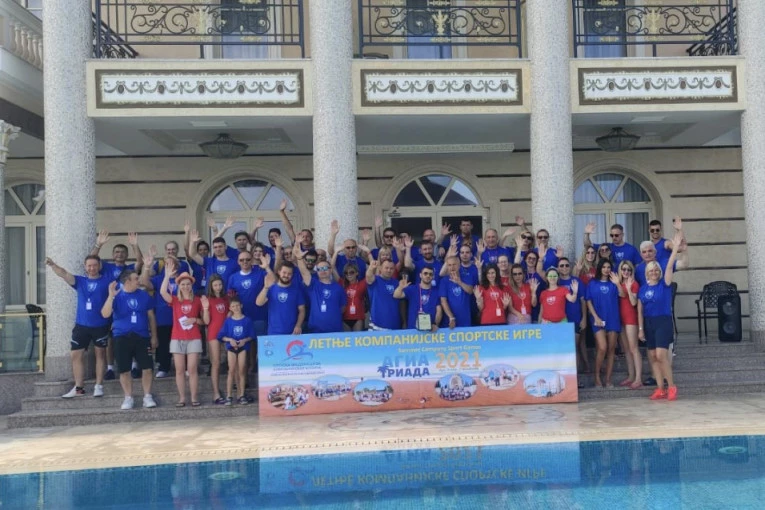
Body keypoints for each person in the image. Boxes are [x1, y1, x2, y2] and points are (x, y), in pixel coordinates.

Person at [46, 255, 112, 398]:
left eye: (95, 265)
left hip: (101, 325)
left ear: (99, 266)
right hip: (81, 325)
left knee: (100, 354)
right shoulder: (80, 281)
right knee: (75, 355)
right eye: (89, 266)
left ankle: (99, 386)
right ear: (85, 267)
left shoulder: (107, 281)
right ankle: (79, 388)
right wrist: (53, 265)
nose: (92, 268)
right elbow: (64, 274)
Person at [100, 270, 158, 410]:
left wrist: (154, 336)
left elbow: (151, 316)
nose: (139, 281)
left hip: (142, 336)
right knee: (124, 370)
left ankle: (147, 396)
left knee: (147, 368)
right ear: (127, 281)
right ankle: (128, 397)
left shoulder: (144, 295)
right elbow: (105, 314)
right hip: (121, 337)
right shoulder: (117, 296)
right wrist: (111, 296)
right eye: (136, 278)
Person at [639, 230, 683, 401]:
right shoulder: (643, 289)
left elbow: (670, 265)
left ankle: (671, 386)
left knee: (661, 355)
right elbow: (640, 310)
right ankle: (660, 389)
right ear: (646, 273)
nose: (653, 272)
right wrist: (641, 329)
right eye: (651, 270)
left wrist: (675, 249)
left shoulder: (664, 284)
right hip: (648, 323)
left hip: (662, 322)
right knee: (652, 357)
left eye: (656, 269)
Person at [159, 261, 206, 407]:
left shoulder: (197, 301)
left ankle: (194, 397)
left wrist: (195, 319)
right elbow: (162, 292)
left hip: (194, 337)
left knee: (192, 369)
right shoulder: (175, 300)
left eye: (188, 284)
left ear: (191, 285)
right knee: (179, 370)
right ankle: (182, 398)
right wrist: (167, 276)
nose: (185, 286)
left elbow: (204, 321)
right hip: (177, 337)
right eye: (183, 284)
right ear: (179, 286)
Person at [586, 259, 625, 388]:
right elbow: (588, 301)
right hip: (597, 319)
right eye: (604, 267)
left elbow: (622, 295)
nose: (606, 269)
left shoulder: (613, 283)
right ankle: (597, 377)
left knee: (611, 350)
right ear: (600, 268)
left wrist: (618, 283)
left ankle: (608, 379)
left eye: (608, 267)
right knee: (602, 347)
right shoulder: (592, 283)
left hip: (613, 318)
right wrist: (595, 317)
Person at [295, 244, 346, 333]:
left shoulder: (339, 288)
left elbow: (343, 308)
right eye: (319, 269)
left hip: (335, 331)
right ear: (317, 272)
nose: (323, 271)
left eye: (325, 268)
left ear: (331, 270)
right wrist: (299, 258)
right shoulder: (313, 284)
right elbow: (304, 272)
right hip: (316, 330)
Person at [217, 296, 254, 406]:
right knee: (231, 370)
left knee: (242, 370)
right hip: (231, 348)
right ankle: (229, 396)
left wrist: (244, 340)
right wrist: (230, 340)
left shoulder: (247, 320)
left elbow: (252, 336)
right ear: (230, 308)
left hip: (243, 347)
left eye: (237, 305)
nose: (236, 308)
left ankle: (241, 395)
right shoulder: (228, 321)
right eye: (233, 306)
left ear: (241, 306)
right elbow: (221, 336)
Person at [558, 257, 589, 375]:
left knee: (574, 348)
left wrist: (584, 318)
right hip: (560, 321)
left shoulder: (576, 281)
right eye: (561, 265)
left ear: (570, 267)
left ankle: (576, 377)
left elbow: (583, 301)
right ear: (558, 268)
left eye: (567, 265)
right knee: (564, 349)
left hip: (575, 318)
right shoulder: (556, 281)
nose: (564, 267)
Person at [256, 262, 306, 335]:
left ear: (292, 275)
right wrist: (266, 287)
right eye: (284, 272)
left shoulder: (297, 291)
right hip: (273, 332)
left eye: (289, 274)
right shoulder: (271, 288)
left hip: (292, 333)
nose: (286, 275)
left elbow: (302, 310)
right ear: (279, 272)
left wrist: (298, 325)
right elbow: (259, 303)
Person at [637, 217, 689, 286]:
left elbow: (680, 248)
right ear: (649, 231)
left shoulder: (666, 243)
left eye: (657, 230)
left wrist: (679, 230)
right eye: (652, 230)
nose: (655, 232)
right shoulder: (647, 246)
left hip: (664, 272)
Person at [227, 250, 268, 337]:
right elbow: (230, 298)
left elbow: (274, 280)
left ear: (252, 260)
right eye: (241, 260)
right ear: (238, 262)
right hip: (241, 318)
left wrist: (267, 267)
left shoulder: (261, 274)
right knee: (244, 344)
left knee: (259, 344)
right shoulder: (233, 278)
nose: (245, 262)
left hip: (259, 317)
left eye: (247, 259)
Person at [617, 260, 642, 389]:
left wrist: (628, 288)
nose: (626, 272)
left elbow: (633, 302)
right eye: (624, 269)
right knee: (626, 349)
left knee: (634, 349)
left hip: (631, 318)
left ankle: (638, 378)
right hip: (621, 318)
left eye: (628, 269)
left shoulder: (634, 284)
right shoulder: (619, 283)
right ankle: (631, 376)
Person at [205, 274, 228, 405]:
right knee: (216, 363)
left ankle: (234, 390)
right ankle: (216, 393)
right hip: (214, 332)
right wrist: (205, 309)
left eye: (219, 284)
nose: (218, 287)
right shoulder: (208, 300)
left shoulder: (226, 299)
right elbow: (206, 321)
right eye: (215, 285)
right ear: (211, 287)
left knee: (232, 362)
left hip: (227, 332)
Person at [365, 259, 402, 330]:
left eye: (391, 268)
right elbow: (369, 277)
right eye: (386, 268)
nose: (389, 270)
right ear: (380, 268)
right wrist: (371, 268)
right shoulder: (375, 280)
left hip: (394, 326)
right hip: (376, 325)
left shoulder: (397, 283)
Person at [439, 255, 474, 328]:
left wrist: (459, 282)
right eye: (449, 265)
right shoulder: (444, 281)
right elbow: (443, 301)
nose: (452, 267)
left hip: (465, 320)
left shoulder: (466, 277)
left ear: (459, 265)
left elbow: (470, 291)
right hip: (450, 321)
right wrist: (451, 317)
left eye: (454, 264)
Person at [339, 262, 367, 331]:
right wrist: (336, 254)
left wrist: (369, 256)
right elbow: (332, 268)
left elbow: (372, 273)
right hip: (345, 318)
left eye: (351, 272)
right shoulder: (342, 284)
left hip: (358, 318)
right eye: (346, 273)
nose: (348, 274)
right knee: (347, 338)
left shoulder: (361, 284)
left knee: (358, 338)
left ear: (357, 273)